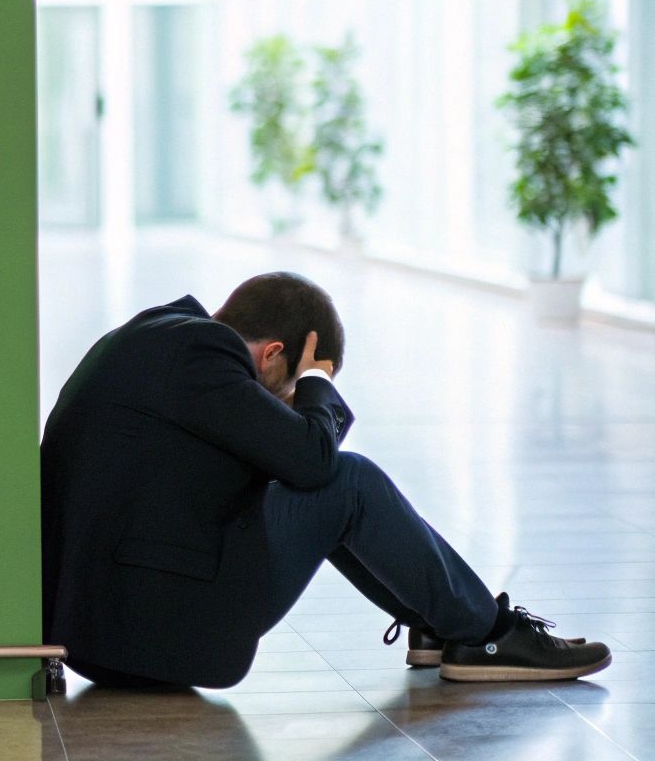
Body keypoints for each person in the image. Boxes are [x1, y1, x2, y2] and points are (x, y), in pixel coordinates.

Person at [39, 272, 610, 689]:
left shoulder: (156, 338)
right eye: (286, 392)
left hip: (104, 629)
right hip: (150, 630)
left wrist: (297, 399)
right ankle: (490, 633)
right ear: (273, 355)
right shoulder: (201, 352)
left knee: (319, 485)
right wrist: (316, 385)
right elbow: (311, 460)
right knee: (347, 480)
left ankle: (442, 626)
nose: (285, 406)